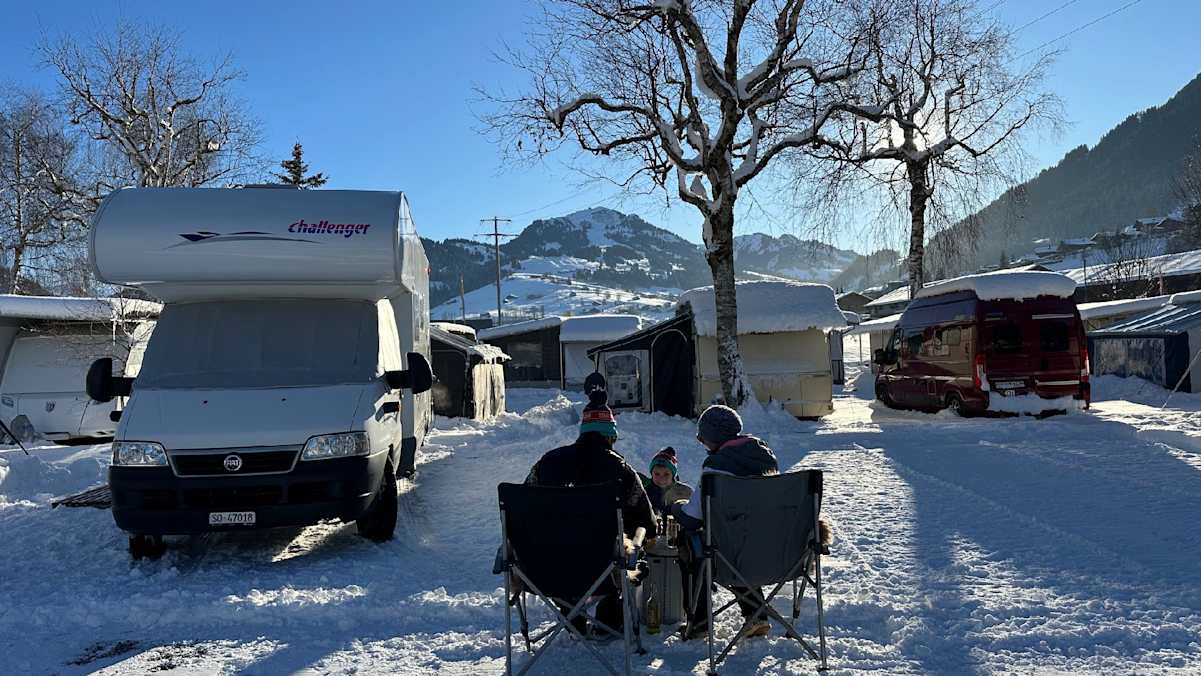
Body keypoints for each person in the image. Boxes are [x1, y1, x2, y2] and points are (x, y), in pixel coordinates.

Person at [523, 392, 656, 637]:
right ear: (610, 436)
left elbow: (524, 506)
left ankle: (570, 610)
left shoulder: (547, 463)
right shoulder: (620, 469)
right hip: (603, 569)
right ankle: (610, 614)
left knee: (565, 542)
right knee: (628, 543)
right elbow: (647, 520)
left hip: (547, 568)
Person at [671, 404, 779, 641]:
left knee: (691, 540)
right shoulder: (766, 459)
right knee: (737, 537)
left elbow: (693, 518)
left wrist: (676, 507)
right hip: (776, 552)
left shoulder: (717, 466)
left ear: (712, 438)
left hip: (733, 554)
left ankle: (698, 623)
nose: (701, 442)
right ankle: (756, 614)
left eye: (702, 437)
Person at [639, 447, 693, 517]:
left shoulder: (685, 492)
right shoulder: (645, 493)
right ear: (651, 474)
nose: (661, 478)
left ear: (673, 475)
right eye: (657, 474)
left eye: (666, 474)